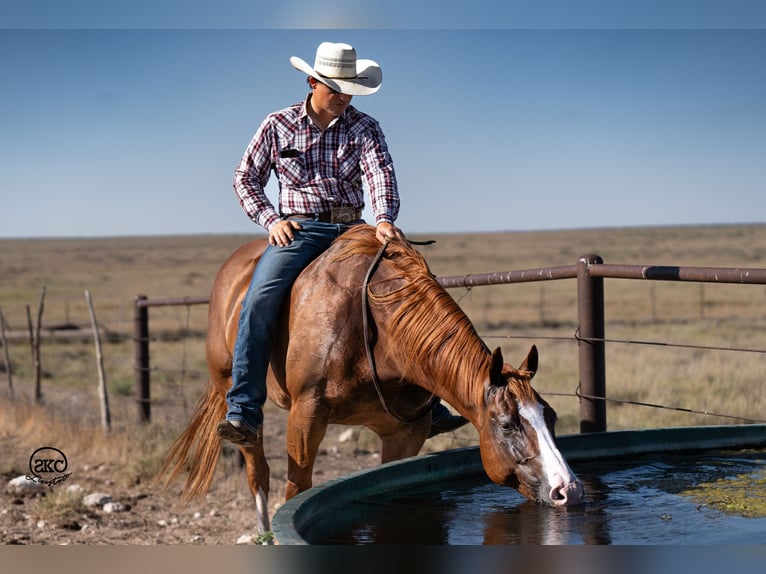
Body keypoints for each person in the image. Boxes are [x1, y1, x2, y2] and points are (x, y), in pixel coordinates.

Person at [217, 41, 467, 448]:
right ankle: (243, 408)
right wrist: (271, 220)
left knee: (412, 289)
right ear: (312, 82)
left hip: (354, 228)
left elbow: (379, 172)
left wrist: (384, 219)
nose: (344, 97)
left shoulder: (364, 126)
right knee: (260, 298)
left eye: (350, 89)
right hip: (300, 231)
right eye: (336, 89)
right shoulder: (277, 124)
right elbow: (245, 177)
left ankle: (427, 402)